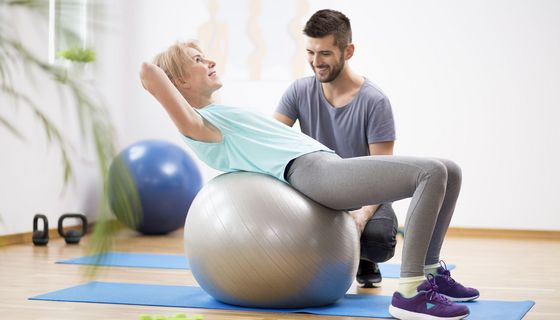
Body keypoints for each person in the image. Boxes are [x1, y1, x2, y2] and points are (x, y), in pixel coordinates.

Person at [139, 40, 479, 320]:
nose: (210, 60)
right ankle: (410, 292)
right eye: (198, 59)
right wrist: (162, 76)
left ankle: (433, 273)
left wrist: (186, 62)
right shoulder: (200, 125)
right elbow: (149, 73)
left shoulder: (218, 112)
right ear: (179, 82)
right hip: (314, 174)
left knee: (449, 168)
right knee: (430, 172)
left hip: (328, 166)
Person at [274, 9, 397, 288]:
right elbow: (273, 140)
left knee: (379, 241)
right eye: (310, 52)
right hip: (318, 192)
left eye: (325, 54)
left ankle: (365, 258)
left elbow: (384, 173)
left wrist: (362, 216)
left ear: (348, 51)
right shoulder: (298, 92)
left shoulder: (375, 102)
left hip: (365, 192)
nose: (316, 62)